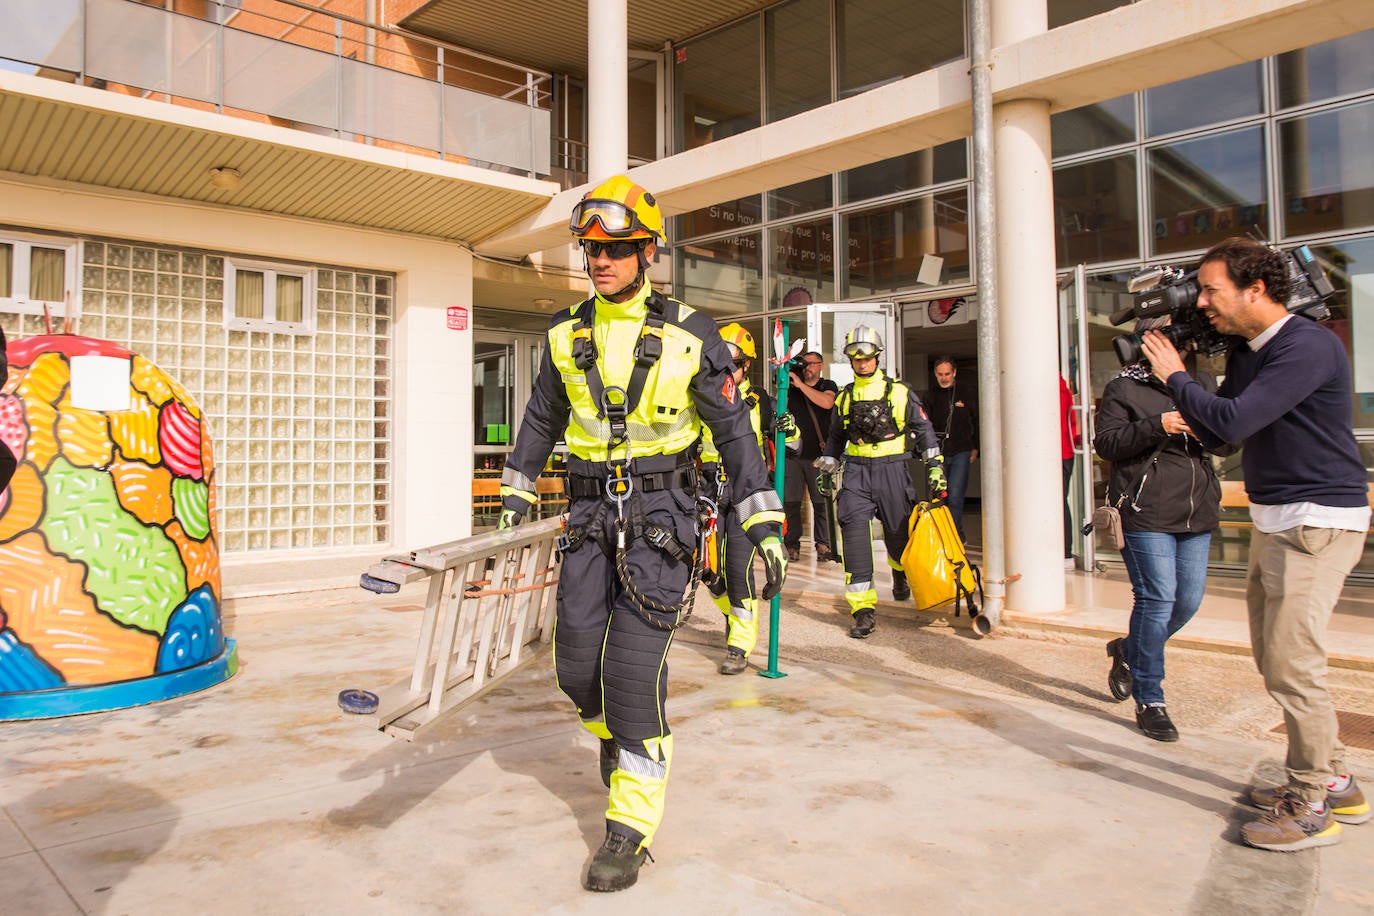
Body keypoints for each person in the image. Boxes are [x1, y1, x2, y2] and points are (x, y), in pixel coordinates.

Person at [496, 176, 788, 890]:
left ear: (647, 252)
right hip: (589, 517)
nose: (601, 260)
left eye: (617, 249)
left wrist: (766, 523)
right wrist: (515, 491)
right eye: (592, 248)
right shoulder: (564, 335)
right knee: (574, 667)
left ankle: (629, 825)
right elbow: (539, 419)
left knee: (631, 675)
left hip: (662, 519)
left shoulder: (697, 338)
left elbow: (736, 437)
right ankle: (612, 737)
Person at [1140, 237, 1371, 852]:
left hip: (1319, 520)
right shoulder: (1248, 351)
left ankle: (1312, 800)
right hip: (1277, 518)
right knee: (1274, 659)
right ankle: (1338, 776)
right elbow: (1224, 435)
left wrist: (1178, 375)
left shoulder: (1307, 345)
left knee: (1295, 663)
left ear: (1256, 290)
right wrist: (1191, 387)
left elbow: (1236, 420)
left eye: (1212, 289)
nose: (1204, 301)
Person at [1093, 316, 1229, 743]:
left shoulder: (1201, 384)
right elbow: (1107, 444)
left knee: (1186, 601)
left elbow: (1229, 441)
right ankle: (1151, 699)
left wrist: (1208, 425)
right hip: (1145, 511)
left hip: (1197, 511)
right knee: (1157, 599)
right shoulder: (1123, 388)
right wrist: (1160, 424)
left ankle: (1128, 651)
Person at [815, 326, 944, 639]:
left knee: (899, 539)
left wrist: (935, 467)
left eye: (867, 357)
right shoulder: (844, 398)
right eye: (856, 358)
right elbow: (836, 436)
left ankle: (899, 574)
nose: (862, 363)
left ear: (877, 357)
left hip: (892, 471)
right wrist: (829, 463)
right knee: (855, 541)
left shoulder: (900, 392)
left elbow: (924, 431)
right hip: (857, 473)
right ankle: (862, 611)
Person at [700, 322, 797, 675]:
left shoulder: (760, 401)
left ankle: (738, 644)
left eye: (735, 364)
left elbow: (795, 445)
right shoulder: (703, 397)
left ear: (746, 367)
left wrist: (790, 428)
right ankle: (733, 615)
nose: (728, 370)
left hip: (745, 493)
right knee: (708, 570)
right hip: (709, 491)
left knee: (739, 569)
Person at [783, 350, 838, 562]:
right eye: (804, 364)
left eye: (812, 364)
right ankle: (792, 544)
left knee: (821, 502)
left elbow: (827, 403)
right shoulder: (792, 389)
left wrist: (800, 385)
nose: (807, 368)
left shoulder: (828, 385)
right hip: (794, 456)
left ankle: (823, 545)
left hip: (819, 455)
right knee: (792, 503)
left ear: (821, 365)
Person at [923, 356, 977, 542]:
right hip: (938, 453)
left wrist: (976, 447)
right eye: (940, 374)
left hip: (962, 450)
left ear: (954, 373)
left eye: (947, 374)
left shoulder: (966, 392)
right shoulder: (930, 396)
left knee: (955, 495)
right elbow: (924, 425)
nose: (944, 378)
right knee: (939, 496)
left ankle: (954, 534)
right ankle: (941, 535)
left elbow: (976, 420)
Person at [1060, 375, 1080, 569]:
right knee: (1060, 502)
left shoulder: (1053, 387)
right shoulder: (1063, 387)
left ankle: (1065, 552)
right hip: (1066, 452)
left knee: (1057, 503)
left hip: (1055, 453)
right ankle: (1065, 553)